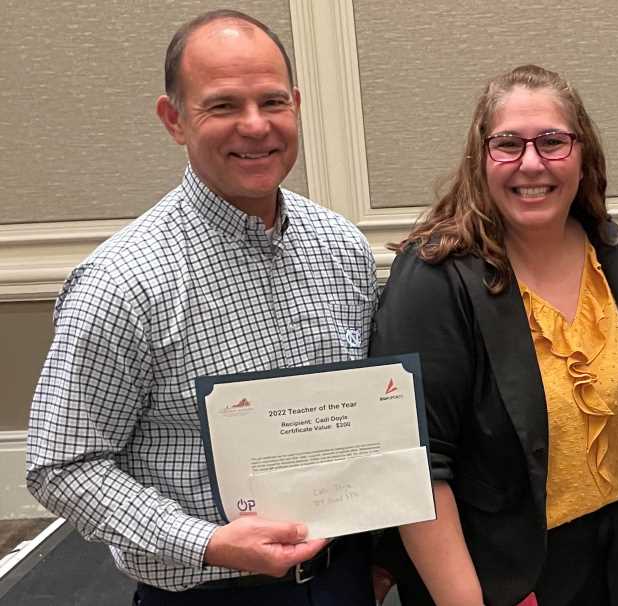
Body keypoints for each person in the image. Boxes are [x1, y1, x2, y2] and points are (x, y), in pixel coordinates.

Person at [25, 10, 377, 605]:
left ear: (295, 105)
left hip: (345, 578)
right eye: (223, 106)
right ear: (175, 120)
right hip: (209, 592)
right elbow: (61, 465)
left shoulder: (342, 247)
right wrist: (206, 542)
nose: (255, 125)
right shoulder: (123, 282)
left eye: (272, 102)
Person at [368, 65, 618, 606]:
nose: (531, 163)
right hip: (497, 581)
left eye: (552, 141)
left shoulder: (615, 254)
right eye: (507, 144)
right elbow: (416, 465)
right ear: (480, 159)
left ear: (583, 154)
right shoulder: (435, 278)